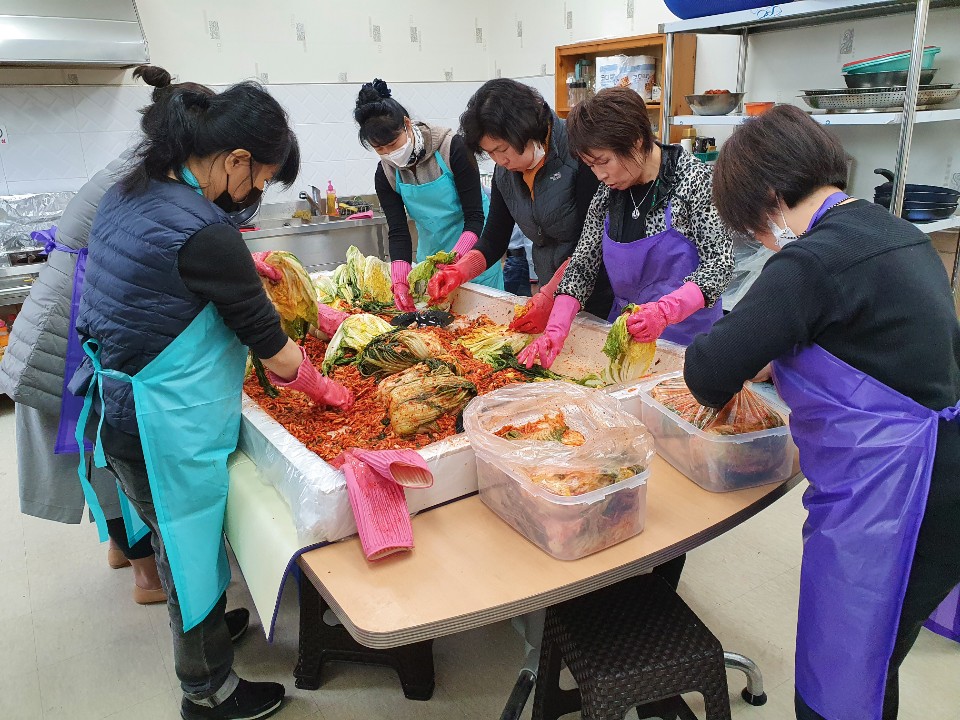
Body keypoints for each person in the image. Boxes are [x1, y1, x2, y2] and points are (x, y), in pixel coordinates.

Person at [68, 81, 352, 720]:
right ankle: (208, 691)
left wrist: (255, 280)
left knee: (177, 541)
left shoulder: (131, 193)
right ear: (237, 160)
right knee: (186, 543)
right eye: (261, 180)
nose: (253, 196)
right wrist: (325, 388)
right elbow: (275, 352)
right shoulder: (204, 229)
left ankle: (211, 627)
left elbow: (169, 288)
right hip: (164, 421)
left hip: (116, 403)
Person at [683, 105, 960, 720]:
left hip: (896, 498)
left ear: (771, 200)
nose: (759, 240)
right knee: (884, 651)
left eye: (752, 227)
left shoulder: (809, 262)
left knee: (849, 670)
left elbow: (706, 371)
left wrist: (748, 350)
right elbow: (869, 342)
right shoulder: (897, 233)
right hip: (947, 476)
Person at [0, 66, 202, 605]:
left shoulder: (140, 163)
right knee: (110, 445)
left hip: (62, 313)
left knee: (95, 449)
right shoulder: (144, 176)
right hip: (66, 328)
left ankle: (120, 549)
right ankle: (145, 573)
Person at [518, 87, 734, 369]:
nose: (600, 175)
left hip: (688, 344)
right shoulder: (607, 194)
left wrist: (665, 312)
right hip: (625, 337)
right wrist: (555, 330)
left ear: (636, 141)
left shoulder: (694, 181)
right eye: (590, 165)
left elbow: (720, 265)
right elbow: (583, 264)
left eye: (604, 162)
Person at [428, 78, 613, 328]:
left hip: (599, 296)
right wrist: (460, 270)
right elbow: (494, 238)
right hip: (549, 291)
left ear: (524, 129)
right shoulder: (505, 173)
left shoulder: (578, 153)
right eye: (490, 153)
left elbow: (590, 244)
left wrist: (550, 297)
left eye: (501, 148)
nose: (499, 159)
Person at [354, 78, 502, 311]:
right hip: (431, 259)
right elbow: (399, 231)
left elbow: (475, 217)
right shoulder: (386, 174)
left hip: (472, 254)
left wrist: (455, 260)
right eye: (380, 149)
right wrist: (400, 278)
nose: (390, 154)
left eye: (393, 143)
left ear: (407, 124)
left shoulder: (452, 148)